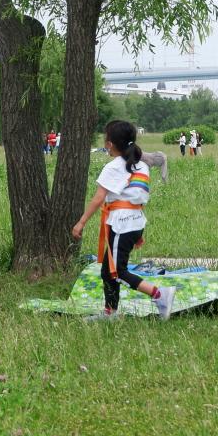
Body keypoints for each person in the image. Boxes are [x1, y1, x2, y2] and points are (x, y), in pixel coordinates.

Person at [71, 120, 175, 320]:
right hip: (134, 223)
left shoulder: (114, 167)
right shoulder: (141, 165)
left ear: (110, 144)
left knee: (116, 271)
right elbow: (136, 196)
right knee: (106, 271)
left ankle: (160, 294)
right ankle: (111, 312)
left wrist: (81, 222)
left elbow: (99, 198)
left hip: (121, 224)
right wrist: (136, 235)